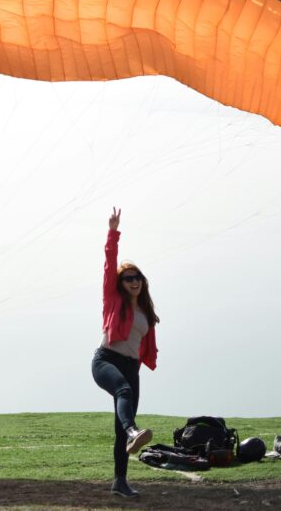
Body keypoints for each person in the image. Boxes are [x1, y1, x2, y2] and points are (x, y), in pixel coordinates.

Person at [91, 208, 159, 498]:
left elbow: (144, 344)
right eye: (128, 278)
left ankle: (120, 482)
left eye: (137, 277)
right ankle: (134, 430)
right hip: (106, 360)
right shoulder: (113, 300)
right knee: (123, 394)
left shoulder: (145, 310)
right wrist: (113, 232)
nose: (133, 281)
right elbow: (109, 265)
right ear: (120, 284)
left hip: (132, 367)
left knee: (120, 428)